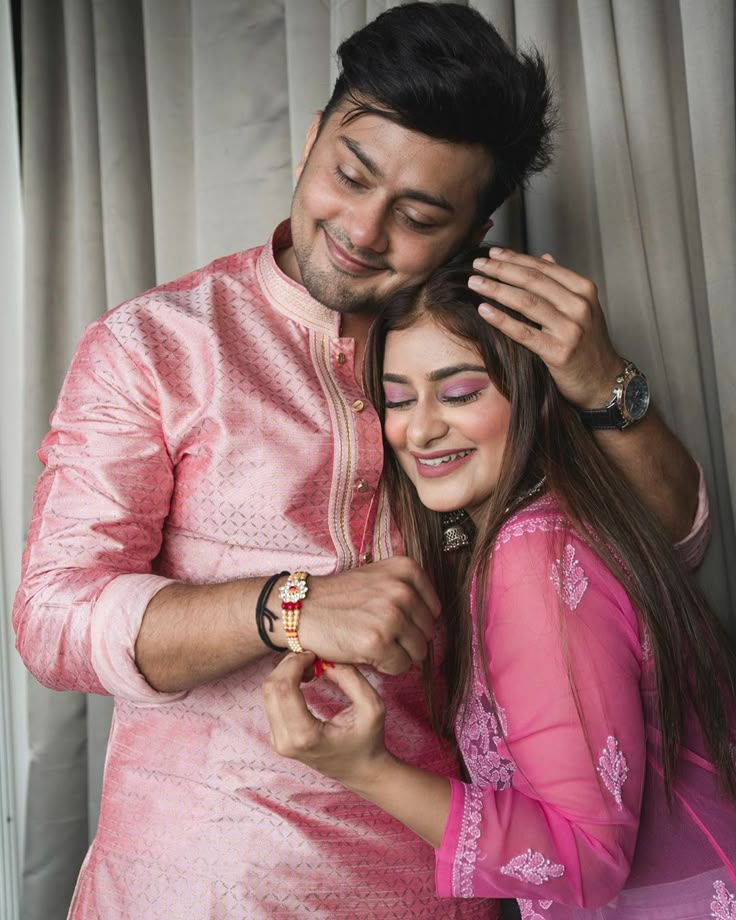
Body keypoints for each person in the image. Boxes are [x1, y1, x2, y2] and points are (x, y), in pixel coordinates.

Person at [14, 3, 708, 918]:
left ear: (470, 229)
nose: (363, 230)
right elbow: (54, 619)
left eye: (418, 214)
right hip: (190, 888)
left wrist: (604, 381)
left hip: (439, 890)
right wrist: (286, 606)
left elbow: (658, 554)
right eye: (350, 174)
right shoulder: (157, 345)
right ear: (312, 138)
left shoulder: (482, 349)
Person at [263, 248, 736, 919]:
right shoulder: (522, 539)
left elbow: (585, 859)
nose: (421, 429)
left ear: (533, 394)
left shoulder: (534, 551)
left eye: (460, 393)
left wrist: (366, 768)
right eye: (398, 399)